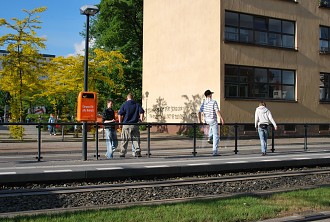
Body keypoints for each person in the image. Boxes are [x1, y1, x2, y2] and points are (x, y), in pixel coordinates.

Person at [198, 90, 225, 156]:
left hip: (206, 120)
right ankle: (215, 151)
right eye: (211, 94)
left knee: (211, 126)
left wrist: (200, 120)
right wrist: (221, 118)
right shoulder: (213, 102)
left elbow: (199, 112)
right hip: (213, 119)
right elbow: (217, 111)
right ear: (210, 95)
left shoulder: (203, 103)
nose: (212, 95)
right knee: (216, 136)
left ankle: (210, 137)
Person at [118, 93, 144, 158]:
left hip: (126, 124)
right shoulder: (137, 104)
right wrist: (140, 119)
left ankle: (122, 152)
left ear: (127, 98)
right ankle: (137, 151)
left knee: (124, 139)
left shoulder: (124, 104)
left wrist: (120, 123)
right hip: (135, 124)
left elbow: (120, 114)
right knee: (136, 139)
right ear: (132, 98)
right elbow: (141, 112)